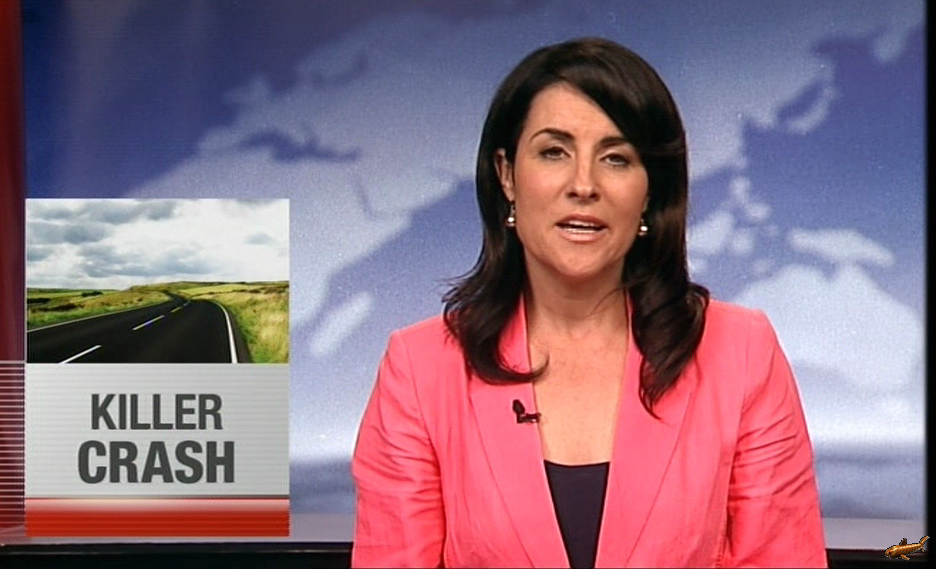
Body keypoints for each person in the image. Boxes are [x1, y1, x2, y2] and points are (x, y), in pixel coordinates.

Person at [350, 37, 827, 568]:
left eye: (616, 158)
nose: (584, 185)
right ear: (507, 174)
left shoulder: (741, 353)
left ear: (650, 191)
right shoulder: (420, 370)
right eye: (554, 152)